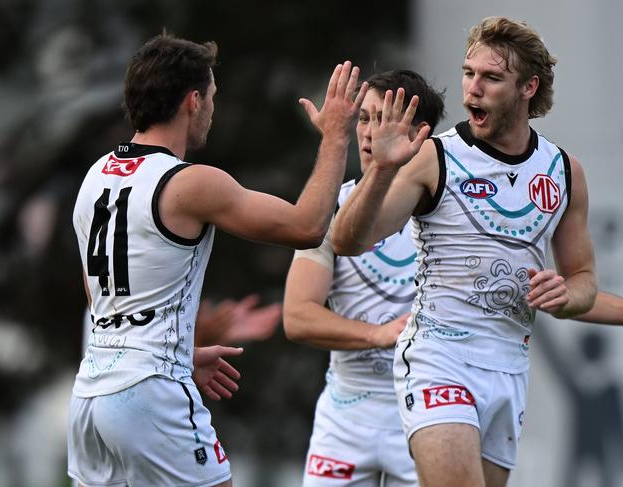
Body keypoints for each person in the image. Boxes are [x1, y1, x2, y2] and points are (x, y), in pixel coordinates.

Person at [68, 33, 368, 487]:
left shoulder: (95, 177)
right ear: (192, 101)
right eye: (211, 96)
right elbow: (306, 227)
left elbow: (101, 297)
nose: (212, 107)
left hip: (90, 397)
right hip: (150, 394)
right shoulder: (191, 184)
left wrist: (178, 354)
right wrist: (335, 137)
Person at [331, 16, 598, 487]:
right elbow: (348, 240)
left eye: (491, 78)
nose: (472, 90)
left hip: (509, 367)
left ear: (528, 87)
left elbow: (584, 282)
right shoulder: (435, 157)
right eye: (468, 73)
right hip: (439, 358)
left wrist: (566, 293)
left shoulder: (563, 171)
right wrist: (381, 171)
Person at [283, 70, 445, 487]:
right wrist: (377, 334)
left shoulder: (447, 215)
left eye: (385, 120)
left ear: (419, 136)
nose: (370, 133)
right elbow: (298, 317)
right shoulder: (330, 210)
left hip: (425, 409)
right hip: (345, 413)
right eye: (364, 118)